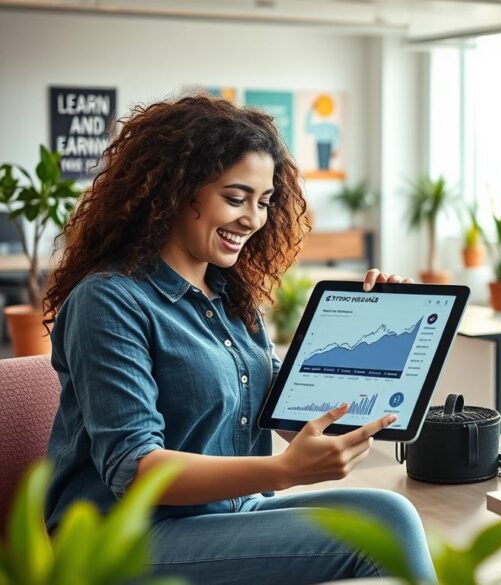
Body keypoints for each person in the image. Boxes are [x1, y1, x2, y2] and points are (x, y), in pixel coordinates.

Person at [42, 95, 436, 584]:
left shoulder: (233, 298)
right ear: (175, 191)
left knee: (389, 513)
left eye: (264, 202)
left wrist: (377, 322)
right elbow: (135, 469)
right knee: (377, 533)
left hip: (223, 516)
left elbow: (291, 418)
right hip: (120, 540)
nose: (253, 219)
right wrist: (283, 472)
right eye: (235, 198)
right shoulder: (109, 300)